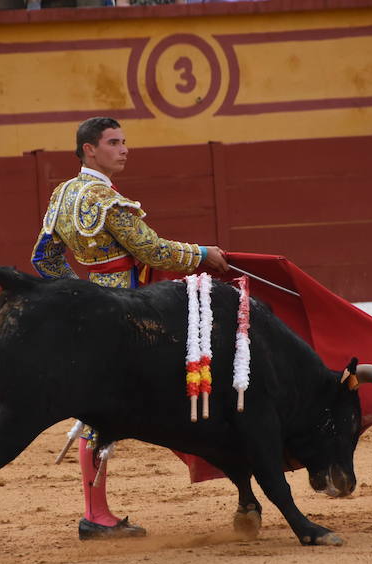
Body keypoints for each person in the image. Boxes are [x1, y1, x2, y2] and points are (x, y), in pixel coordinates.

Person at [31, 116, 229, 540]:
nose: (124, 149)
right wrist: (202, 252)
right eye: (114, 142)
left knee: (95, 411)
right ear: (89, 149)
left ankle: (96, 511)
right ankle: (96, 514)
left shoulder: (64, 193)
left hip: (92, 306)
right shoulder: (106, 201)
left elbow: (44, 257)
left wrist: (76, 295)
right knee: (109, 410)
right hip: (128, 310)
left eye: (124, 141)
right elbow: (151, 249)